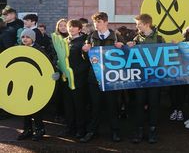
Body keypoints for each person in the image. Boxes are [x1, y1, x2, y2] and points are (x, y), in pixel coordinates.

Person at [81, 12, 124, 143]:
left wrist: (122, 48)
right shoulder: (90, 36)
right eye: (95, 22)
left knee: (112, 106)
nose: (96, 24)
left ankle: (115, 132)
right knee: (95, 106)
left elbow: (124, 57)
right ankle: (92, 131)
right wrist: (84, 51)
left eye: (99, 22)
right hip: (95, 77)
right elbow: (86, 59)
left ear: (106, 22)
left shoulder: (116, 36)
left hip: (111, 78)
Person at [128, 14, 165, 144]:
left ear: (147, 24)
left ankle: (152, 130)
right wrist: (129, 47)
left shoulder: (160, 39)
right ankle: (139, 130)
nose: (136, 26)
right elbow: (130, 58)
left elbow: (165, 58)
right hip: (140, 78)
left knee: (154, 104)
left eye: (139, 24)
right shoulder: (136, 39)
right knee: (139, 104)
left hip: (155, 78)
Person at [16, 29, 59, 141]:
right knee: (25, 107)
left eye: (27, 37)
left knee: (36, 108)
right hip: (23, 83)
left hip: (36, 84)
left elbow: (47, 64)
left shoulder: (39, 50)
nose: (25, 39)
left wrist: (54, 74)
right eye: (23, 37)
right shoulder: (19, 49)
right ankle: (27, 130)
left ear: (33, 39)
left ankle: (40, 129)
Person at [60, 19, 90, 139]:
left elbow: (87, 62)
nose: (71, 29)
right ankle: (69, 128)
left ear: (79, 29)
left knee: (79, 105)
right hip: (65, 78)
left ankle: (80, 129)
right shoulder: (64, 41)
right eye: (69, 27)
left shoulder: (83, 42)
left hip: (78, 79)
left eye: (73, 27)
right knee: (68, 105)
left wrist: (74, 72)